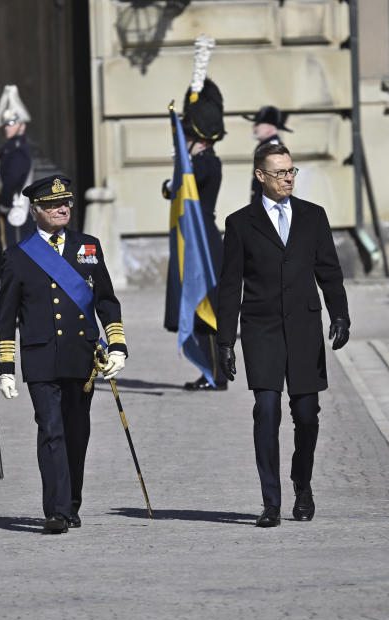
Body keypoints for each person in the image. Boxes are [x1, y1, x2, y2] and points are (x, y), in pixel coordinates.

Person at [217, 143, 350, 528]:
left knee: (307, 415)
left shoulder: (313, 216)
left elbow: (329, 272)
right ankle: (271, 502)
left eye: (292, 172)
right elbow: (229, 288)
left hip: (305, 327)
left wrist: (340, 314)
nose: (288, 178)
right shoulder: (240, 223)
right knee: (268, 412)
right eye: (281, 173)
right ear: (261, 176)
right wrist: (225, 341)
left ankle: (302, 482)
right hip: (262, 329)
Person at [0, 174, 127, 534]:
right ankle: (55, 510)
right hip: (40, 357)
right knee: (50, 429)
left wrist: (117, 345)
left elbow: (106, 301)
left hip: (80, 355)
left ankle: (72, 503)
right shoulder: (18, 257)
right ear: (35, 211)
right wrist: (5, 367)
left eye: (65, 203)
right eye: (52, 205)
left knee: (76, 432)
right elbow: (5, 318)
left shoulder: (88, 247)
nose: (61, 209)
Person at [163, 37, 227, 391]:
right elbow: (176, 188)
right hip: (196, 234)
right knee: (199, 304)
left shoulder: (205, 164)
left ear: (200, 140)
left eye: (189, 137)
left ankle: (216, 374)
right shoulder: (199, 164)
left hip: (202, 239)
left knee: (207, 308)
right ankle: (210, 372)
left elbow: (185, 183)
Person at [0, 84, 35, 275]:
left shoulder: (18, 151)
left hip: (14, 209)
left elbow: (12, 181)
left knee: (15, 258)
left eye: (11, 123)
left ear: (22, 125)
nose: (6, 128)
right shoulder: (10, 148)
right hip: (7, 208)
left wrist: (3, 203)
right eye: (6, 124)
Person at [245, 105, 291, 202]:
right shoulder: (265, 146)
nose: (254, 127)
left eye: (258, 123)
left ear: (269, 126)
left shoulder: (274, 148)